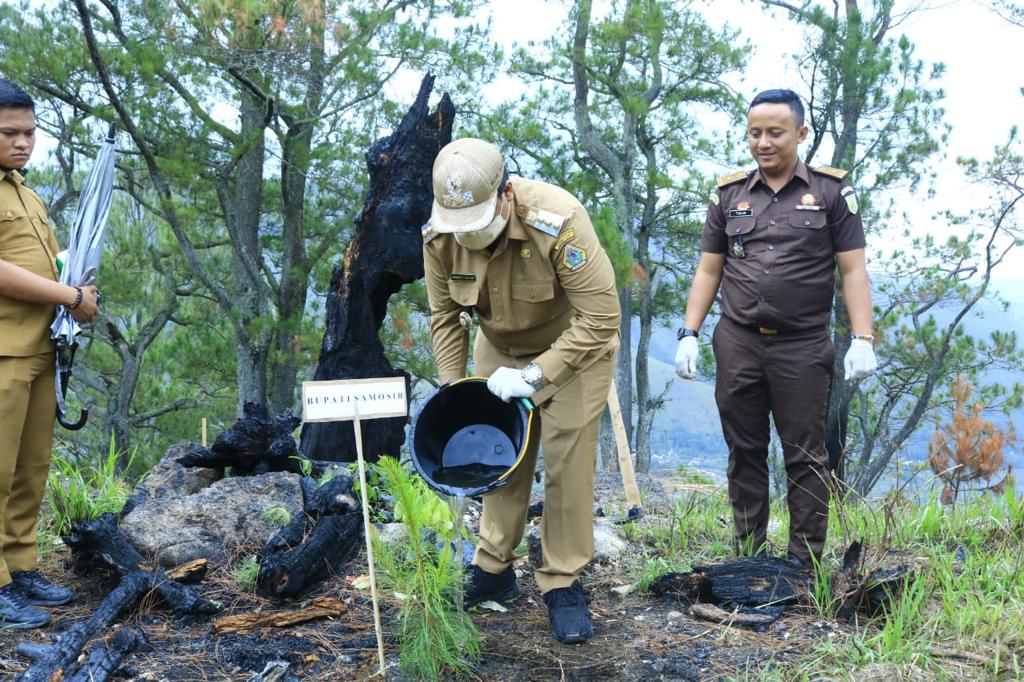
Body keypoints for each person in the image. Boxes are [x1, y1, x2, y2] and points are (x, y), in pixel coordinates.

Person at [421, 138, 620, 643]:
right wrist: (452, 387)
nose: (467, 238)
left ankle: (562, 581)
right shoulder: (440, 234)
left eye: (479, 225)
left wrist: (536, 376)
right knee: (499, 455)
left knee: (566, 459)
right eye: (458, 229)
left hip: (573, 346)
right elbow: (445, 315)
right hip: (498, 349)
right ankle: (493, 569)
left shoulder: (558, 220)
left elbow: (602, 316)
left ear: (505, 195)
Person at [674, 89, 877, 568]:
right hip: (738, 341)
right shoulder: (729, 195)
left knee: (806, 456)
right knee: (743, 451)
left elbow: (853, 270)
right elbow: (709, 269)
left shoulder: (831, 193)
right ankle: (749, 557)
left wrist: (863, 338)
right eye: (755, 133)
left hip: (802, 347)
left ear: (800, 134)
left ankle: (803, 565)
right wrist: (689, 332)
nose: (763, 143)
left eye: (775, 133)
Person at [0, 78, 99, 629]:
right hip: (2, 352)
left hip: (41, 348)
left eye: (30, 133)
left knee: (29, 468)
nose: (23, 143)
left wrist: (78, 283)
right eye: (9, 133)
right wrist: (69, 296)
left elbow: (47, 262)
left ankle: (18, 568)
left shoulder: (25, 191)